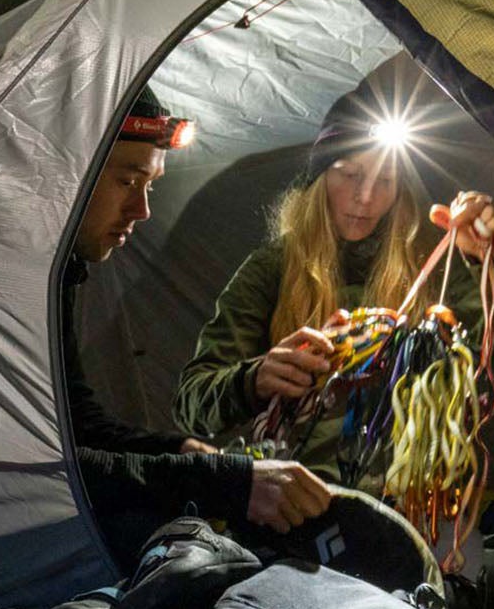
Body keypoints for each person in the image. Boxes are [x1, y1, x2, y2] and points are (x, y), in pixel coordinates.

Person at [174, 85, 494, 487]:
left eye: (384, 180)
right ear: (320, 178)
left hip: (412, 497)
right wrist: (252, 380)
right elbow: (191, 403)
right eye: (350, 175)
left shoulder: (432, 263)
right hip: (296, 498)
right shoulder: (272, 269)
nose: (365, 197)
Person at [66, 87, 331, 564]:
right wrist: (223, 479)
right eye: (129, 182)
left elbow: (77, 425)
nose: (142, 210)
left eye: (150, 186)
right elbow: (45, 466)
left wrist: (189, 452)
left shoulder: (59, 276)